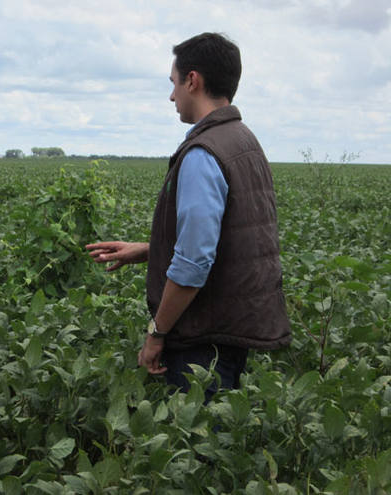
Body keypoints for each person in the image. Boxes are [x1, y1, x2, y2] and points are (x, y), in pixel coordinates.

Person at [87, 32, 291, 401]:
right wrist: (149, 249)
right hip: (231, 331)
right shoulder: (245, 141)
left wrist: (157, 333)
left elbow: (195, 260)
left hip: (201, 337)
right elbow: (226, 238)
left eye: (173, 83)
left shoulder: (203, 154)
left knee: (195, 447)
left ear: (192, 81)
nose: (171, 96)